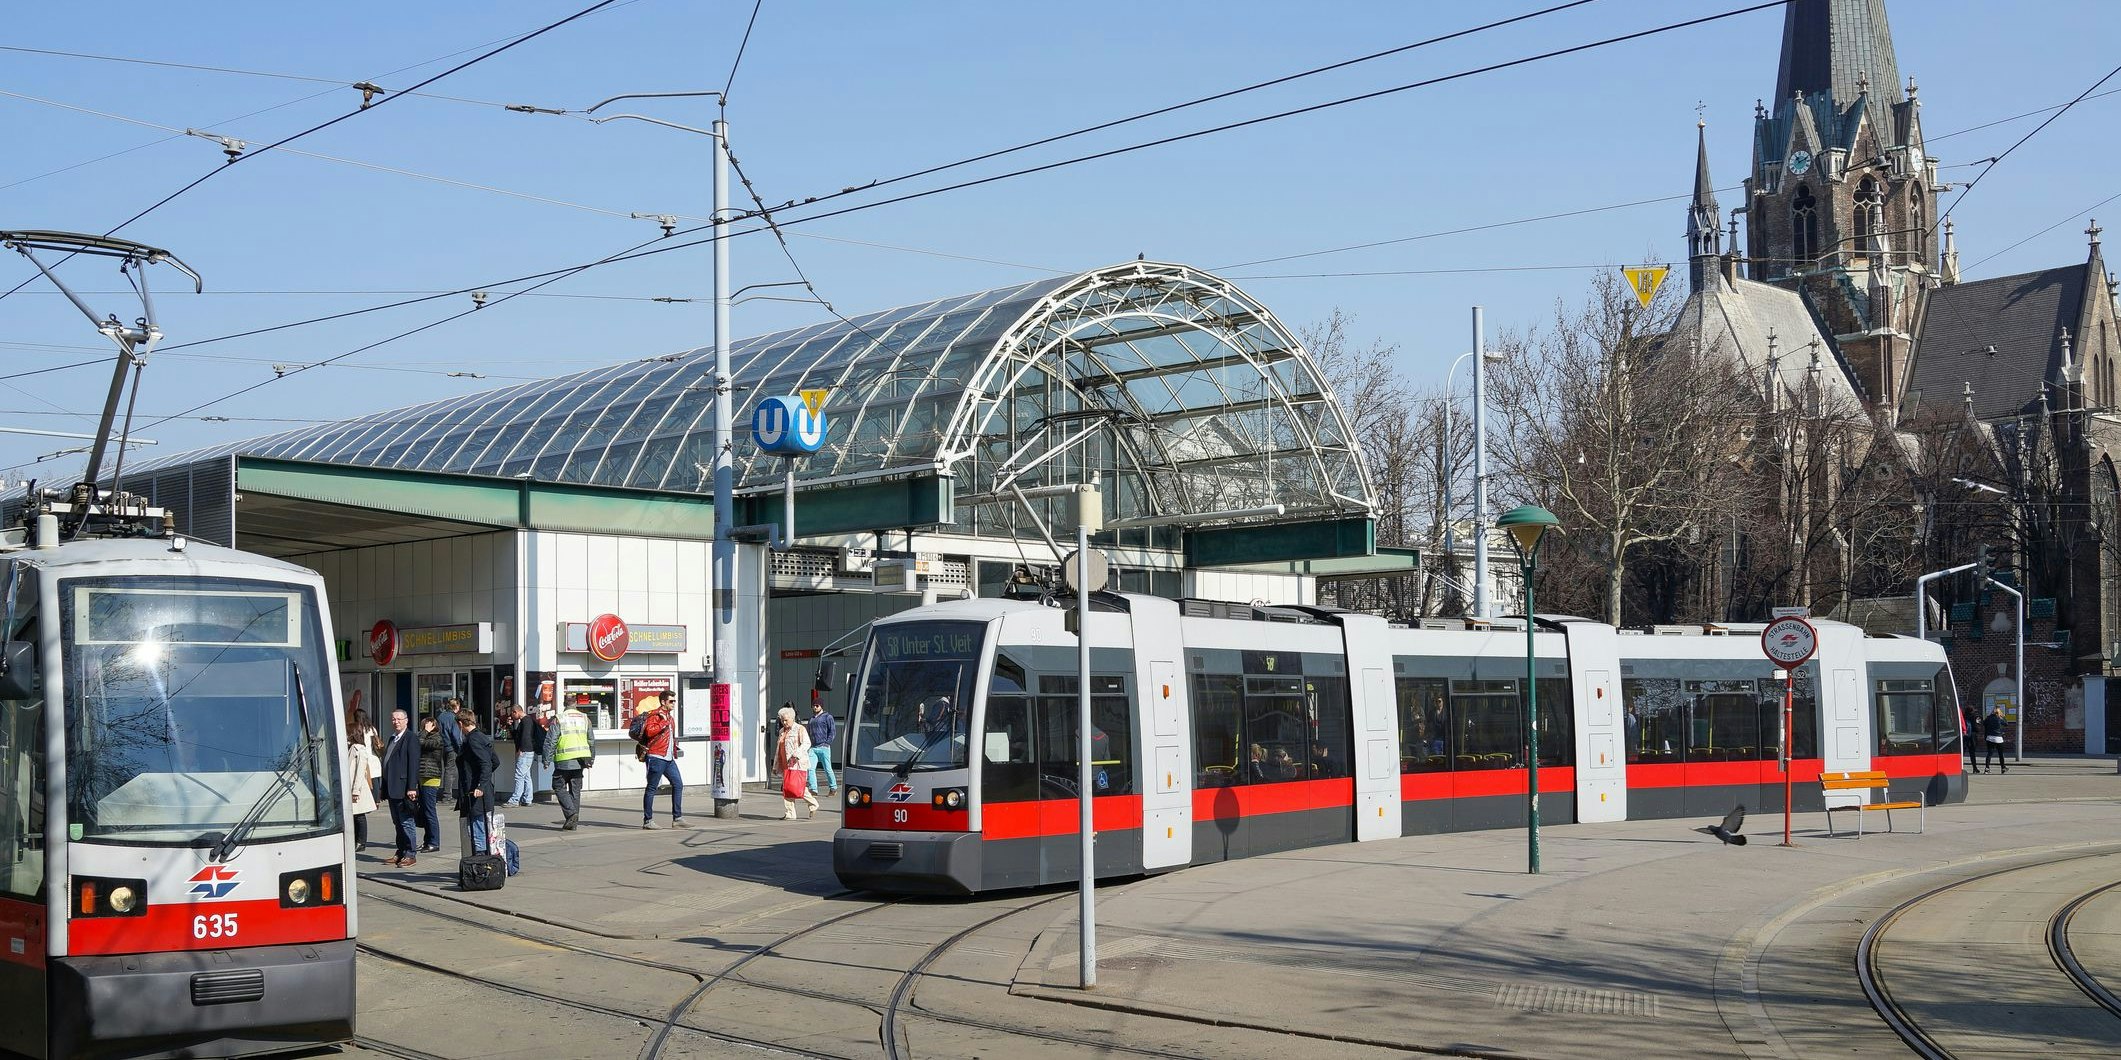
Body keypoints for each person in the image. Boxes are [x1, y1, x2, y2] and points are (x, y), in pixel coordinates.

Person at [379, 708, 422, 867]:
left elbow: (413, 764)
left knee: (406, 822)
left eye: (399, 719)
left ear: (406, 720)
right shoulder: (393, 738)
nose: (396, 722)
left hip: (404, 788)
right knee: (397, 822)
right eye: (393, 719)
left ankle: (410, 854)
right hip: (392, 787)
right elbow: (387, 763)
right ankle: (400, 851)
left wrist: (412, 787)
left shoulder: (410, 738)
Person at [455, 708, 500, 854]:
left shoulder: (472, 740)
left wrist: (480, 784)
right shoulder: (482, 737)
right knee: (482, 826)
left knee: (477, 827)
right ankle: (484, 859)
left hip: (475, 792)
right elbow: (495, 761)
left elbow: (486, 763)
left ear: (461, 724)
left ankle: (480, 862)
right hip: (482, 791)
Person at [637, 697, 684, 829]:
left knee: (678, 784)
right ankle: (648, 821)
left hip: (668, 758)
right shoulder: (655, 716)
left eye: (675, 701)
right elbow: (649, 731)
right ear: (663, 702)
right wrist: (663, 723)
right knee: (652, 788)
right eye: (671, 701)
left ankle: (678, 818)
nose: (674, 703)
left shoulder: (669, 717)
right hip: (656, 756)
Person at [551, 698, 594, 830]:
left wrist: (546, 759)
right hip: (580, 760)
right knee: (575, 791)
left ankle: (571, 814)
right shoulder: (585, 718)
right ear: (576, 704)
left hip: (564, 760)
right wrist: (591, 758)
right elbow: (591, 740)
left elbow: (551, 740)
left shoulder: (559, 718)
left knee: (558, 786)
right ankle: (573, 823)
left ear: (564, 705)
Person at [778, 705, 817, 820]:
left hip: (797, 764)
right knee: (787, 788)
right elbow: (779, 748)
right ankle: (790, 813)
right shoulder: (781, 731)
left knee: (797, 787)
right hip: (785, 763)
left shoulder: (800, 729)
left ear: (792, 718)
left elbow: (807, 743)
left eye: (786, 720)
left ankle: (813, 804)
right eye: (782, 720)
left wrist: (796, 754)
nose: (784, 722)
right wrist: (776, 764)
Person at [346, 724, 379, 852]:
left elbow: (360, 771)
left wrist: (355, 790)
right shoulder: (351, 747)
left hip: (358, 787)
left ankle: (361, 841)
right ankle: (356, 840)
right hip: (352, 786)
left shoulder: (359, 749)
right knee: (354, 815)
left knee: (359, 815)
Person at [416, 714, 446, 852]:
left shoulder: (437, 739)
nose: (424, 728)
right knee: (424, 811)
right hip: (423, 777)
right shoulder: (425, 736)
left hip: (431, 777)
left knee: (430, 812)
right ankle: (427, 840)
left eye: (427, 725)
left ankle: (434, 841)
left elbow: (419, 743)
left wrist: (426, 731)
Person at [506, 705, 538, 807]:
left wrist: (521, 749)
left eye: (512, 713)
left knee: (519, 776)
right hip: (528, 751)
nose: (511, 715)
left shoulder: (526, 721)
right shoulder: (526, 721)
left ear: (516, 712)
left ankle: (515, 800)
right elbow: (517, 735)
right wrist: (510, 726)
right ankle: (527, 799)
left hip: (525, 752)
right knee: (526, 776)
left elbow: (526, 737)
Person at [805, 701, 837, 797]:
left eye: (817, 705)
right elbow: (808, 732)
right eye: (813, 706)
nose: (815, 707)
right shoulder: (811, 719)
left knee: (827, 768)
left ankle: (833, 787)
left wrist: (828, 743)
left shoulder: (828, 717)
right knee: (810, 768)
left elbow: (832, 731)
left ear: (821, 706)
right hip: (813, 747)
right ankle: (813, 789)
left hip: (824, 746)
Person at [1982, 705, 2009, 774]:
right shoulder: (2000, 718)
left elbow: (1983, 724)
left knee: (1989, 754)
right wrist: (2003, 716)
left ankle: (1987, 769)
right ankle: (2003, 768)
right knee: (2001, 754)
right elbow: (2006, 724)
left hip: (1990, 738)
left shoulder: (1988, 718)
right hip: (1998, 738)